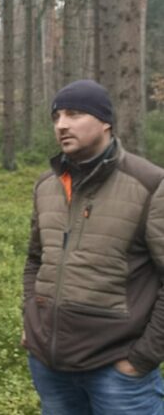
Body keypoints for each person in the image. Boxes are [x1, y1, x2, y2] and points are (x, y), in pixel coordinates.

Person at [23, 80, 164, 413]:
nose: (61, 125)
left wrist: (143, 357)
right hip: (50, 368)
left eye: (74, 114)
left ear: (105, 122)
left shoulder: (150, 184)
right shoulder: (46, 185)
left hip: (117, 372)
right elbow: (35, 260)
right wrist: (31, 322)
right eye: (56, 116)